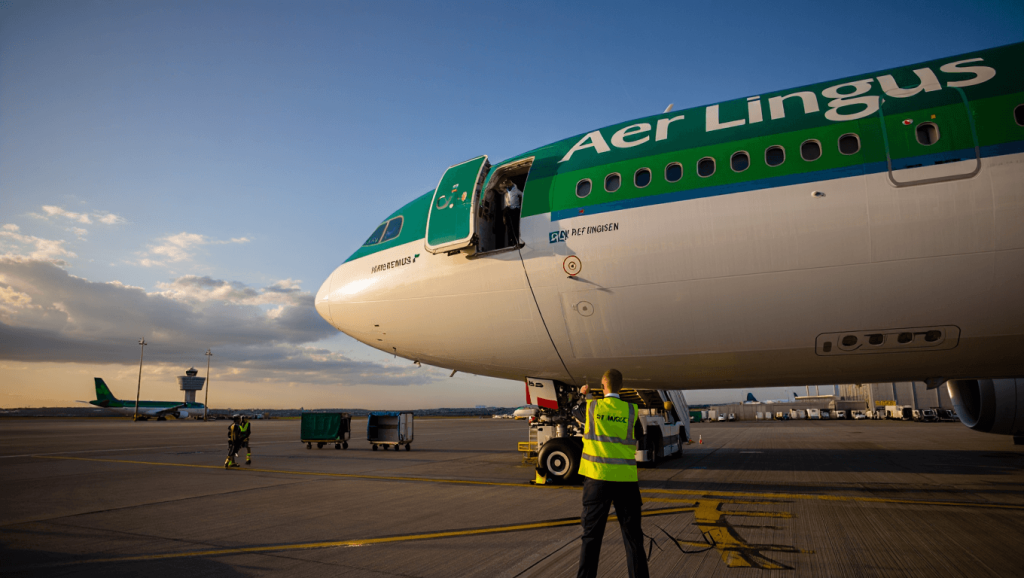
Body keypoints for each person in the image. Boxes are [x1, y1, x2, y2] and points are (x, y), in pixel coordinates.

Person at [576, 369, 649, 578]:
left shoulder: (591, 408)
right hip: (626, 482)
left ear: (602, 385)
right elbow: (639, 437)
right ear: (621, 387)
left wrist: (583, 394)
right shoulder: (631, 411)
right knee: (634, 539)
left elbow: (575, 410)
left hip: (597, 480)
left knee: (591, 538)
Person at [502, 180, 523, 246]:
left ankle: (518, 240)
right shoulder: (506, 192)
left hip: (515, 210)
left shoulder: (516, 190)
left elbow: (523, 195)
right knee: (510, 227)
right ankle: (512, 242)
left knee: (516, 226)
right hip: (509, 211)